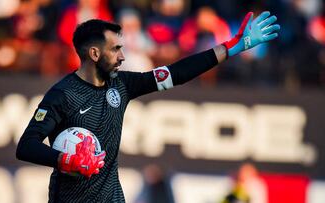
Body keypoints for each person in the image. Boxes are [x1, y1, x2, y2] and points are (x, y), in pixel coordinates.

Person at [16, 11, 280, 203]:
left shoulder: (123, 84)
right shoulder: (62, 94)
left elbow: (178, 72)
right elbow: (26, 145)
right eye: (115, 49)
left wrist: (233, 46)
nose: (122, 55)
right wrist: (66, 160)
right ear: (94, 54)